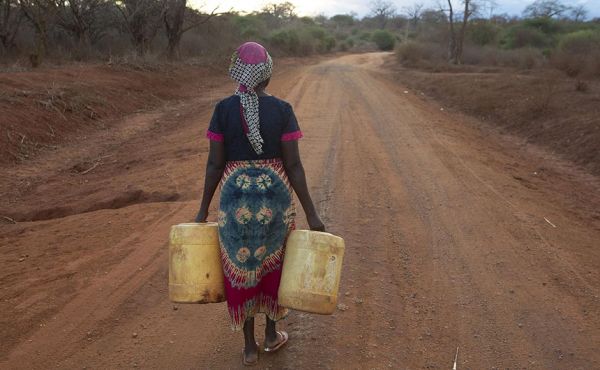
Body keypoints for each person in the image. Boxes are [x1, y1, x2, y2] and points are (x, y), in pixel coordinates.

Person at [195, 41, 325, 366]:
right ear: (267, 74)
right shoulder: (282, 110)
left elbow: (214, 165)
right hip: (275, 198)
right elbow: (294, 166)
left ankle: (249, 346)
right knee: (273, 263)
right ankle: (271, 335)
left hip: (234, 198)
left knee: (243, 266)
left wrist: (201, 210)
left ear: (236, 73)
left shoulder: (223, 109)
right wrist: (312, 214)